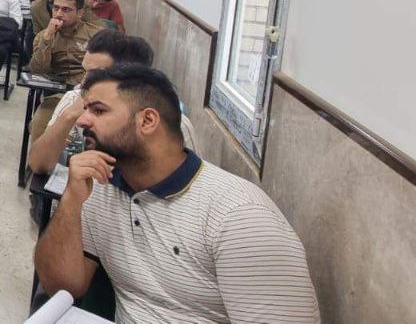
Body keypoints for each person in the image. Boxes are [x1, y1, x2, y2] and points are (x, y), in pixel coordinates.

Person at [35, 65, 319, 323]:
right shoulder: (100, 187)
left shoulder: (242, 217)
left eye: (98, 111)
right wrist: (70, 201)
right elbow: (61, 286)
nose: (82, 120)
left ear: (147, 121)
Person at [28, 30, 168, 175]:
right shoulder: (75, 99)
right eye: (85, 71)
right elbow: (38, 165)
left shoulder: (158, 117)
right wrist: (69, 116)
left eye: (96, 75)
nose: (84, 82)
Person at [28, 0, 104, 143]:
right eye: (56, 8)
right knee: (38, 125)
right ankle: (39, 159)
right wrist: (47, 39)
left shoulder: (96, 35)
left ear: (80, 13)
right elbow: (37, 70)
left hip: (89, 92)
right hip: (58, 93)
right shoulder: (44, 36)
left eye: (66, 10)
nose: (59, 14)